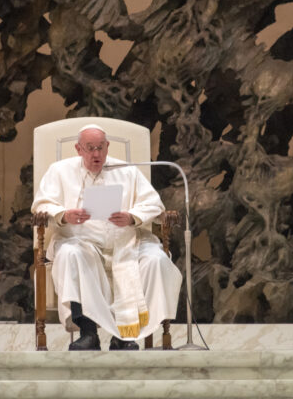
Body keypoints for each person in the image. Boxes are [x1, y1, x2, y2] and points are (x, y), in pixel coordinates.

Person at [31, 123, 182, 351]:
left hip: (128, 241)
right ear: (78, 149)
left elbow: (153, 204)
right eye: (89, 148)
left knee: (157, 260)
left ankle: (127, 336)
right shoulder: (59, 171)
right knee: (71, 255)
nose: (96, 154)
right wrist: (64, 215)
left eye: (100, 147)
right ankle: (88, 333)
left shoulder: (127, 170)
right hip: (80, 241)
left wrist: (132, 217)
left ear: (108, 146)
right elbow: (41, 205)